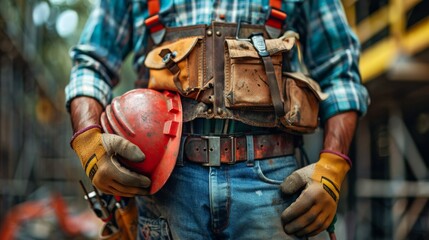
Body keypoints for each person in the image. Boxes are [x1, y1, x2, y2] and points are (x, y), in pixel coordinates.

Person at [66, 0, 369, 239]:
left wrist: (332, 168)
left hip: (273, 184)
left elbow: (339, 73)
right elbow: (91, 63)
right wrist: (89, 142)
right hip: (163, 184)